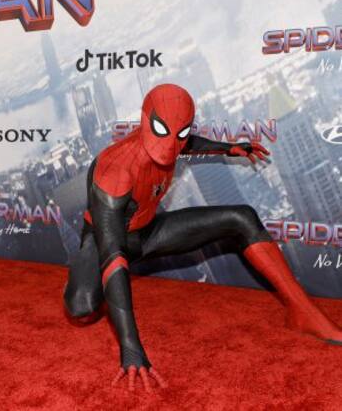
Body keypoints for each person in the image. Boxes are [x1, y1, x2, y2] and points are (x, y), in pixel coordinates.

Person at [64, 83, 342, 392]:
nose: (171, 146)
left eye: (180, 133)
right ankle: (91, 284)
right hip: (104, 240)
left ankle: (303, 311)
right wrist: (130, 346)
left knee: (242, 217)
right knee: (81, 307)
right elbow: (113, 254)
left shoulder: (173, 141)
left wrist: (228, 149)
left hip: (149, 233)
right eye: (161, 130)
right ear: (144, 120)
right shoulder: (115, 168)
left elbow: (186, 142)